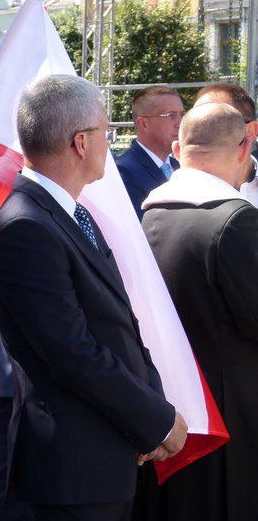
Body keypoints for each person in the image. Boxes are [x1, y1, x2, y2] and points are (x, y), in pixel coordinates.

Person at [0, 74, 187, 521]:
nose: (109, 145)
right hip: (73, 467)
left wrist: (148, 413)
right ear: (80, 142)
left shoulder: (67, 213)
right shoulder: (26, 227)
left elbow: (120, 326)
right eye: (106, 133)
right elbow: (73, 354)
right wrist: (155, 420)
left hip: (103, 452)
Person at [140, 102, 258, 520]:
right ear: (244, 148)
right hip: (228, 411)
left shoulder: (151, 213)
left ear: (177, 149)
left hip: (168, 400)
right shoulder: (236, 220)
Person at [116, 86, 184, 219]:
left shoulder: (181, 167)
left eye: (182, 114)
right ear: (143, 124)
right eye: (171, 115)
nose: (180, 123)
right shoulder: (124, 172)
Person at [193, 82, 258, 205]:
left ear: (250, 131)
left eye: (215, 122)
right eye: (194, 124)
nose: (200, 132)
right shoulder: (181, 192)